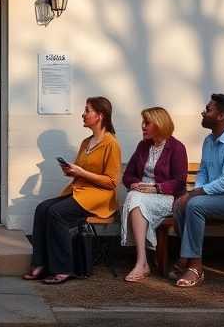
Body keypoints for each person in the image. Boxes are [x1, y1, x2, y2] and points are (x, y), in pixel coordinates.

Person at [23, 96, 122, 285]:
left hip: (99, 197)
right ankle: (40, 263)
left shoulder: (111, 144)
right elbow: (82, 171)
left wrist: (82, 172)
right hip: (80, 191)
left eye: (87, 111)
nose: (83, 115)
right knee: (42, 208)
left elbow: (112, 182)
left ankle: (63, 268)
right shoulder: (87, 142)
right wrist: (72, 171)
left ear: (100, 116)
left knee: (56, 212)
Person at [169, 93, 224, 288]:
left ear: (220, 116)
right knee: (183, 204)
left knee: (194, 205)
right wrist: (191, 194)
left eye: (208, 109)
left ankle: (195, 267)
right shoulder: (209, 140)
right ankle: (186, 258)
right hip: (218, 197)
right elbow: (203, 172)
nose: (203, 112)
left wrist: (192, 195)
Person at [119, 107, 189, 282]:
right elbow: (128, 174)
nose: (143, 126)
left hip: (168, 198)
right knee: (134, 197)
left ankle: (142, 264)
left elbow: (180, 181)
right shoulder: (143, 146)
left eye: (147, 123)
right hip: (142, 195)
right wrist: (134, 184)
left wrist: (157, 188)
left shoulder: (176, 147)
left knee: (134, 199)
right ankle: (142, 262)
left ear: (159, 124)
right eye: (143, 123)